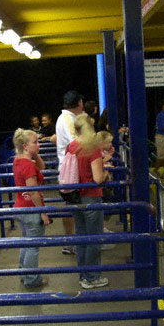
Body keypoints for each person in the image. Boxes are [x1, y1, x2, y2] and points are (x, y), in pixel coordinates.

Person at [67, 114, 110, 289]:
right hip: (91, 196)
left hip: (75, 196)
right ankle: (92, 277)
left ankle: (83, 275)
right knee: (94, 238)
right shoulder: (92, 149)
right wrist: (106, 174)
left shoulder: (71, 147)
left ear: (75, 130)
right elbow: (98, 178)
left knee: (81, 236)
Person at [12, 128, 51, 288]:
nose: (38, 144)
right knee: (33, 246)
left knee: (27, 242)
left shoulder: (18, 160)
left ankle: (24, 273)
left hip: (20, 207)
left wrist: (34, 153)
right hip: (31, 209)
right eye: (35, 142)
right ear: (25, 145)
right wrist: (43, 214)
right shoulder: (27, 165)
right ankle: (32, 279)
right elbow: (34, 192)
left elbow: (42, 167)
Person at [56, 90, 84, 254]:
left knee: (72, 206)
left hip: (71, 169)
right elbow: (77, 142)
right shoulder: (67, 119)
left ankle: (73, 242)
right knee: (72, 206)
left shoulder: (68, 118)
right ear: (79, 102)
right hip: (71, 171)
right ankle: (71, 242)